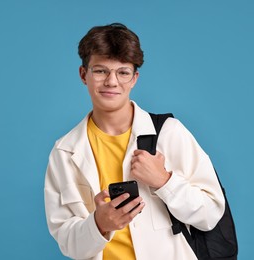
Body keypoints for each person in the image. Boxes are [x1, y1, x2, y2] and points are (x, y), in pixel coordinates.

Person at [44, 23, 225, 260]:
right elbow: (69, 245)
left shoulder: (169, 134)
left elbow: (211, 214)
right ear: (83, 75)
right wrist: (99, 224)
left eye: (123, 72)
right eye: (100, 71)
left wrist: (164, 182)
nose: (111, 82)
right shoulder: (65, 151)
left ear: (134, 78)